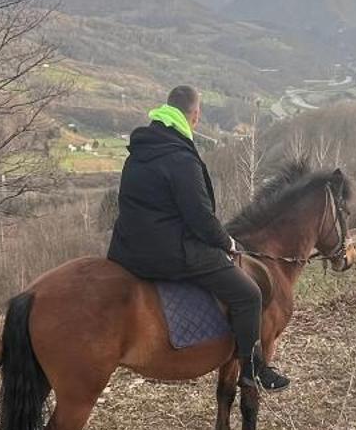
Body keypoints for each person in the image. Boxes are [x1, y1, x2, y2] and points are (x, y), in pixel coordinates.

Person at [107, 85, 290, 392]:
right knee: (249, 294)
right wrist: (228, 243)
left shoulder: (140, 150)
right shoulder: (181, 158)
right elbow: (201, 219)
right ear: (194, 115)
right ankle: (253, 369)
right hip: (170, 252)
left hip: (126, 250)